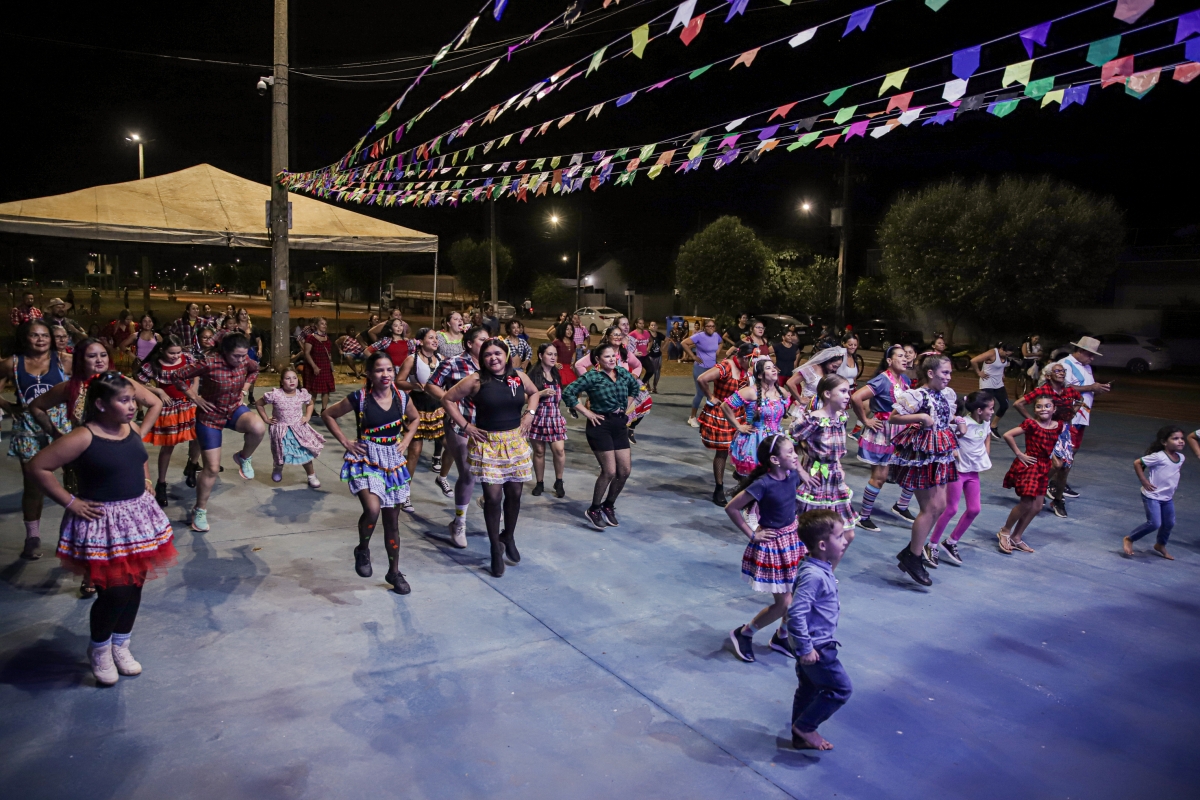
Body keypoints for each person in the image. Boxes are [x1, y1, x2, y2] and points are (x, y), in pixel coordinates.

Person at [27, 373, 177, 686]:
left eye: (132, 399)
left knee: (135, 585)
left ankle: (121, 644)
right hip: (103, 523)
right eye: (124, 400)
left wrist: (146, 480)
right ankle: (99, 648)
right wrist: (70, 502)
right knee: (115, 591)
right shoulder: (83, 437)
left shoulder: (130, 428)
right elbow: (38, 467)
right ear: (100, 404)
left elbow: (136, 458)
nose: (132, 406)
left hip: (136, 518)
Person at [322, 352, 421, 594]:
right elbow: (328, 414)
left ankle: (394, 572)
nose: (385, 374)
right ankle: (363, 549)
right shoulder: (360, 398)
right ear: (369, 373)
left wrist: (406, 439)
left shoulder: (401, 397)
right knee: (373, 509)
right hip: (366, 458)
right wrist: (346, 442)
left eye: (389, 369)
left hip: (393, 461)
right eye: (379, 370)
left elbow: (416, 418)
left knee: (392, 522)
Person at [441, 339, 539, 578]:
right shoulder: (476, 380)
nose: (493, 358)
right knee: (493, 498)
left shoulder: (517, 376)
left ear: (506, 355)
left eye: (498, 353)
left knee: (514, 494)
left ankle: (509, 536)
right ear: (482, 359)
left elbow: (534, 393)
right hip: (488, 444)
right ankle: (495, 547)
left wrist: (529, 414)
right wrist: (465, 425)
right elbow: (447, 399)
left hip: (514, 441)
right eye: (487, 354)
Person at [169, 333, 266, 533]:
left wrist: (245, 388)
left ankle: (243, 457)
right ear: (225, 352)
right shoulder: (209, 363)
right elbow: (177, 376)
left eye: (243, 356)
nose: (241, 360)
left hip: (233, 410)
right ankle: (200, 510)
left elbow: (255, 369)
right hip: (210, 416)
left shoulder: (244, 360)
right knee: (212, 468)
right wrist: (194, 397)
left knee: (258, 427)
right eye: (236, 356)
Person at [726, 435, 806, 663]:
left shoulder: (792, 475)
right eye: (789, 452)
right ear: (775, 460)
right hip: (774, 545)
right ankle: (744, 633)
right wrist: (753, 534)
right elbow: (731, 508)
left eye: (794, 451)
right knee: (784, 603)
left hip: (792, 540)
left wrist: (802, 471)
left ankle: (782, 637)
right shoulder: (763, 484)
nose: (795, 456)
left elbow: (798, 469)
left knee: (795, 597)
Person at [0, 320, 71, 559]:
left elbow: (95, 379)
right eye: (34, 335)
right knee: (34, 486)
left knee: (74, 482)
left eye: (44, 335)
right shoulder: (13, 363)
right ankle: (32, 537)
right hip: (28, 428)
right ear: (25, 338)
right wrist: (6, 405)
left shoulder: (64, 361)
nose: (40, 339)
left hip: (60, 427)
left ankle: (74, 537)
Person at [888, 354, 958, 586]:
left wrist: (957, 422)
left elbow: (944, 417)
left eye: (950, 373)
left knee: (941, 506)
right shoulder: (916, 395)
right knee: (929, 508)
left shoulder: (947, 394)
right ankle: (914, 556)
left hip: (941, 452)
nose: (948, 377)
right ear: (930, 373)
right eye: (945, 372)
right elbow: (894, 417)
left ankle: (912, 551)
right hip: (923, 454)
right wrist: (920, 417)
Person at [787, 510, 852, 751]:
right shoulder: (813, 575)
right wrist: (806, 648)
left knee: (809, 688)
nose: (845, 540)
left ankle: (800, 737)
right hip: (817, 647)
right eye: (840, 536)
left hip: (813, 643)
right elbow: (796, 612)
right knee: (840, 689)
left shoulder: (819, 567)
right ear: (823, 545)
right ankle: (805, 727)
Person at [562, 342, 644, 531]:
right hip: (600, 425)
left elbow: (635, 387)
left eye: (613, 356)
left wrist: (627, 405)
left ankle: (608, 505)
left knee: (625, 471)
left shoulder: (622, 373)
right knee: (610, 471)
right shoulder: (592, 376)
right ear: (598, 360)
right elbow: (568, 393)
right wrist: (587, 412)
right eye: (607, 356)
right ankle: (594, 509)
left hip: (619, 424)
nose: (612, 359)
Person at [426, 325, 491, 547]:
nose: (487, 343)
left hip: (487, 426)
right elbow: (430, 385)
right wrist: (449, 398)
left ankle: (487, 500)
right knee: (468, 471)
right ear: (470, 343)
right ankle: (459, 522)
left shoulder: (492, 365)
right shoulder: (453, 363)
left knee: (493, 472)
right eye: (482, 340)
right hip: (460, 424)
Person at [850, 345, 915, 532]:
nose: (905, 359)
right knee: (879, 477)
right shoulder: (882, 380)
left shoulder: (905, 379)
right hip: (884, 431)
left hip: (901, 431)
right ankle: (864, 517)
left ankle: (901, 506)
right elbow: (856, 397)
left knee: (913, 469)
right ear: (889, 361)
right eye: (900, 356)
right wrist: (865, 420)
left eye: (906, 356)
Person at [927, 392, 994, 567]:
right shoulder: (963, 424)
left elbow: (987, 435)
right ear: (979, 410)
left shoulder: (985, 422)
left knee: (974, 509)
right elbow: (946, 436)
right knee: (951, 509)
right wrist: (954, 450)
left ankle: (951, 542)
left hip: (973, 473)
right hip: (957, 472)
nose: (992, 412)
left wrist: (986, 451)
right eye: (990, 408)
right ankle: (931, 545)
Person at [134, 335, 201, 502]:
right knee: (168, 446)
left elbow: (197, 372)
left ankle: (192, 465)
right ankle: (161, 483)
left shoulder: (187, 358)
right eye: (172, 353)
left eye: (178, 352)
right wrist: (159, 391)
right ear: (162, 350)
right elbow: (138, 382)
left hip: (189, 403)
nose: (176, 356)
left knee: (199, 436)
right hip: (170, 407)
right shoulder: (154, 364)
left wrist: (194, 387)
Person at [1012, 362, 1084, 519]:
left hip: (1064, 431)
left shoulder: (1069, 390)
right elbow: (1018, 403)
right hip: (1047, 431)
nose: (1062, 373)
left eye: (1063, 371)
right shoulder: (1043, 390)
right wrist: (1033, 421)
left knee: (1065, 468)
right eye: (1057, 371)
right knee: (1056, 464)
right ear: (1049, 375)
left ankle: (1057, 500)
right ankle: (1039, 487)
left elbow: (1080, 399)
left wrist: (1072, 412)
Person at [791, 374, 859, 536]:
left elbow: (835, 449)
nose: (847, 396)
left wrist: (839, 466)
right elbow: (787, 443)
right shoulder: (812, 420)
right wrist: (801, 472)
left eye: (848, 391)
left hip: (835, 478)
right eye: (843, 391)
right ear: (827, 394)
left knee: (847, 533)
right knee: (811, 532)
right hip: (815, 478)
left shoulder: (842, 418)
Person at [997, 396, 1063, 554]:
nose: (1043, 409)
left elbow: (1051, 444)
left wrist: (1054, 458)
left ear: (1054, 409)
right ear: (1034, 410)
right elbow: (1008, 435)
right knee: (1026, 504)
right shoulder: (1031, 424)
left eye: (1047, 406)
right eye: (1039, 406)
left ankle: (1016, 536)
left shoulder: (1058, 426)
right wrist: (1019, 454)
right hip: (1030, 465)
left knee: (1037, 506)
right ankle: (1005, 531)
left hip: (1044, 467)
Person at [1051, 336, 1111, 503]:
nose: (1092, 359)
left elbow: (1084, 388)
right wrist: (1091, 387)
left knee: (1071, 452)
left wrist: (1096, 389)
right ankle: (1052, 484)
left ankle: (1059, 482)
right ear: (1080, 351)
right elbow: (1063, 387)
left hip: (1082, 416)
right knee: (1063, 452)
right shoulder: (1065, 364)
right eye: (1090, 355)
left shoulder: (1086, 367)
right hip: (1069, 415)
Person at [395, 327, 452, 498]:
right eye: (431, 338)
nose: (435, 341)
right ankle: (405, 492)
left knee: (452, 446)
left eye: (436, 338)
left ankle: (442, 478)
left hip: (438, 408)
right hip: (417, 407)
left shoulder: (441, 359)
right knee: (415, 452)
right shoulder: (411, 360)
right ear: (420, 341)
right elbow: (398, 381)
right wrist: (413, 385)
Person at [697, 342, 754, 506]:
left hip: (739, 413)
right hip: (722, 413)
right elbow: (702, 379)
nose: (753, 364)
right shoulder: (725, 367)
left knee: (742, 448)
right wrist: (710, 396)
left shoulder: (747, 370)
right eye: (752, 360)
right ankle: (719, 488)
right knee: (722, 451)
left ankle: (741, 481)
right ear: (744, 358)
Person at [256, 368, 325, 487]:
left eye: (294, 378)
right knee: (281, 451)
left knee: (304, 452)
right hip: (281, 429)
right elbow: (259, 404)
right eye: (288, 378)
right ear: (282, 381)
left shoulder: (301, 394)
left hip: (299, 429)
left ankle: (311, 475)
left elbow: (310, 403)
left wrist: (308, 416)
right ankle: (278, 468)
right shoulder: (275, 394)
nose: (292, 381)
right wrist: (266, 419)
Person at [723, 358, 791, 480]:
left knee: (775, 478)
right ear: (760, 375)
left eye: (774, 367)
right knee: (754, 480)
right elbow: (725, 406)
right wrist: (738, 426)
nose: (774, 370)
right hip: (755, 440)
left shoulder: (782, 392)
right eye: (768, 368)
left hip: (776, 440)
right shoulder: (750, 392)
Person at [1125, 426, 1186, 560]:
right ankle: (1130, 538)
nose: (1180, 441)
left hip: (1167, 498)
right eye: (1175, 438)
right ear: (1164, 442)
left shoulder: (1181, 458)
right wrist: (1144, 481)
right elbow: (1137, 463)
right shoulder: (1159, 457)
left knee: (1169, 523)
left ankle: (1160, 544)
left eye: (1182, 438)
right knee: (1154, 523)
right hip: (1152, 496)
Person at [528, 343, 568, 498]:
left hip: (554, 416)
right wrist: (540, 393)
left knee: (559, 450)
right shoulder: (533, 375)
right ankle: (540, 483)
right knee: (539, 452)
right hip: (538, 416)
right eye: (549, 354)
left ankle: (559, 481)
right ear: (540, 356)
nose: (553, 357)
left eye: (555, 354)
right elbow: (524, 397)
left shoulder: (556, 374)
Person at [682, 319, 723, 429]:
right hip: (700, 367)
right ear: (704, 327)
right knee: (700, 393)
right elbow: (684, 343)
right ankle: (692, 417)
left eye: (713, 326)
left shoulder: (716, 335)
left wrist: (718, 351)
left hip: (712, 368)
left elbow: (721, 342)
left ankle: (709, 416)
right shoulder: (699, 336)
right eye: (708, 326)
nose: (711, 328)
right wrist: (693, 356)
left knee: (713, 393)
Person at [971, 342, 1015, 440]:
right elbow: (973, 361)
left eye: (1009, 354)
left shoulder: (1005, 356)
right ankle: (981, 426)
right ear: (1001, 349)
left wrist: (1002, 374)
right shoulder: (992, 353)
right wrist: (979, 372)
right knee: (988, 406)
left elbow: (1000, 366)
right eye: (1006, 353)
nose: (1007, 355)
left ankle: (993, 425)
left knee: (1004, 405)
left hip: (998, 384)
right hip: (987, 383)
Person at [301, 317, 335, 413]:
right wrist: (314, 366)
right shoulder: (311, 338)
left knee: (326, 389)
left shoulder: (326, 337)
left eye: (325, 324)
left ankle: (324, 410)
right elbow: (307, 353)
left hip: (325, 366)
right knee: (314, 390)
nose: (324, 326)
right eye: (322, 324)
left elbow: (328, 351)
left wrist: (330, 358)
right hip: (315, 366)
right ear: (316, 325)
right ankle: (311, 411)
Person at [837, 334, 864, 437]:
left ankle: (856, 431)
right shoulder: (839, 357)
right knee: (840, 414)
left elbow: (854, 377)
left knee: (864, 407)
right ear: (843, 343)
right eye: (850, 344)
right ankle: (837, 434)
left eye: (855, 345)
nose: (853, 347)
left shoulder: (854, 357)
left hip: (851, 390)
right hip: (839, 391)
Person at [551, 322, 578, 386]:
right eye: (567, 329)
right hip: (559, 368)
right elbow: (550, 354)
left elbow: (574, 352)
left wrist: (573, 362)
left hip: (569, 369)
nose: (569, 331)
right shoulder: (556, 342)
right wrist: (555, 363)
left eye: (571, 329)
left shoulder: (573, 342)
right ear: (563, 330)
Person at [645, 321, 665, 393]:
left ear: (657, 327)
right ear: (649, 327)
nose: (653, 326)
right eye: (652, 325)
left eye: (655, 325)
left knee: (657, 371)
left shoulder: (659, 335)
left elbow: (667, 340)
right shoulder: (646, 334)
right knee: (649, 370)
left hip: (658, 356)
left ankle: (654, 387)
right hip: (649, 356)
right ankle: (647, 385)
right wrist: (645, 349)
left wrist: (663, 348)